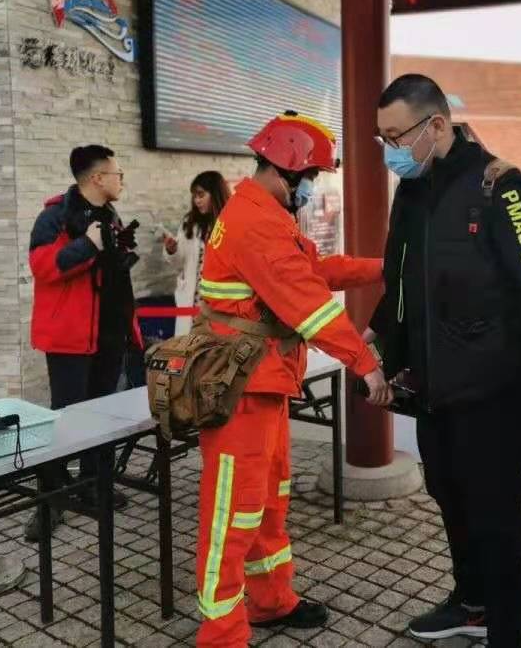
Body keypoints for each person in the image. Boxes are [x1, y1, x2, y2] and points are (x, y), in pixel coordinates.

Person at [369, 74, 521, 646]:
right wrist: (379, 341)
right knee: (450, 498)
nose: (390, 150)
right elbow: (399, 283)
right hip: (435, 389)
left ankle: (505, 633)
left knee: (497, 521)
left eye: (396, 137)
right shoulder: (412, 191)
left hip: (494, 392)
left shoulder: (500, 187)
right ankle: (472, 603)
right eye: (382, 139)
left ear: (436, 124)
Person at [194, 111, 388, 647]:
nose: (313, 187)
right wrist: (364, 362)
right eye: (312, 176)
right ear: (287, 169)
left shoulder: (264, 212)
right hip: (242, 390)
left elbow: (313, 272)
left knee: (266, 503)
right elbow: (309, 306)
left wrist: (381, 268)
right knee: (232, 514)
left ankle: (271, 601)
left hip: (263, 383)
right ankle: (221, 636)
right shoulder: (256, 222)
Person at [26, 145, 141, 540]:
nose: (121, 179)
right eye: (117, 173)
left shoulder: (111, 215)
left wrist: (121, 251)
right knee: (64, 420)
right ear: (97, 178)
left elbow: (112, 273)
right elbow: (43, 267)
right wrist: (88, 245)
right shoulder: (55, 216)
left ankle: (94, 486)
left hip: (109, 334)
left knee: (101, 417)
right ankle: (49, 502)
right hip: (70, 338)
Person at [163, 171, 231, 335]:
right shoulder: (190, 222)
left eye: (201, 195)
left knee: (214, 345)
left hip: (220, 303)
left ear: (215, 194)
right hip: (193, 300)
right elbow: (179, 263)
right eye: (194, 196)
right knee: (189, 345)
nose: (196, 200)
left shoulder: (230, 223)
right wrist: (172, 250)